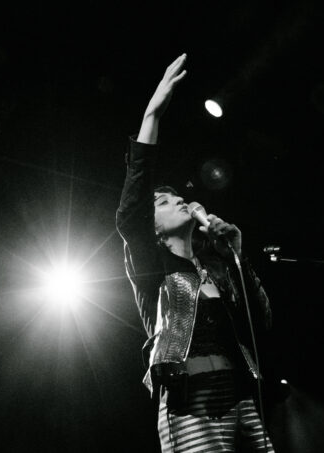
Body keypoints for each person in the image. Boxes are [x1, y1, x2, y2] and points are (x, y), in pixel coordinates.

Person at [116, 53, 276, 452]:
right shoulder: (152, 267)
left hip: (242, 399)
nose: (179, 200)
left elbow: (262, 323)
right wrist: (152, 114)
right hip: (190, 404)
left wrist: (237, 255)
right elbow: (131, 212)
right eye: (164, 202)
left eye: (178, 197)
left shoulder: (216, 268)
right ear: (152, 230)